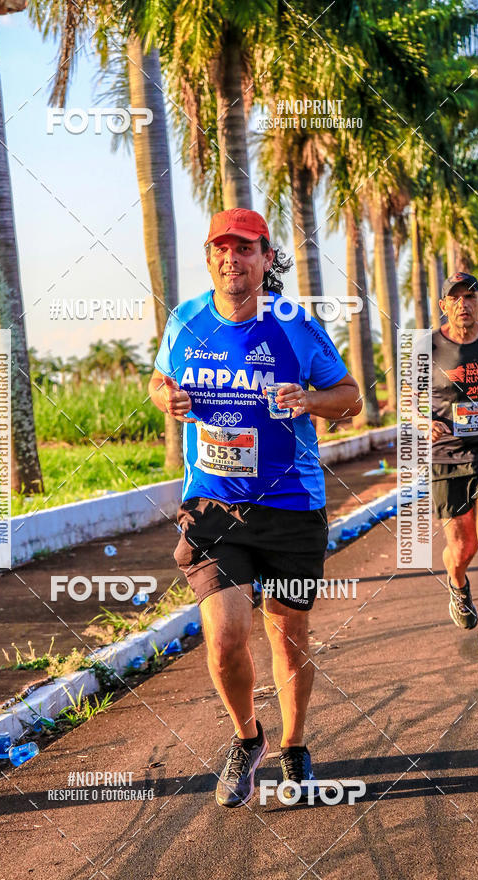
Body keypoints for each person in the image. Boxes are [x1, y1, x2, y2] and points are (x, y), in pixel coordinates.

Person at [148, 208, 362, 807]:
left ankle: (295, 747)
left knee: (288, 634)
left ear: (266, 259)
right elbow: (158, 379)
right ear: (209, 257)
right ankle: (247, 738)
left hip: (291, 506)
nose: (231, 260)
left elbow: (351, 399)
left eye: (244, 250)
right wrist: (166, 394)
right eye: (221, 248)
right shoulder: (186, 320)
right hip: (214, 507)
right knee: (223, 638)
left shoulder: (293, 324)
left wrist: (311, 399)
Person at [431, 272, 478, 654]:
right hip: (446, 457)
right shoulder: (427, 347)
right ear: (444, 307)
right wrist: (422, 423)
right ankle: (458, 584)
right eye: (454, 298)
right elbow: (408, 400)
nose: (463, 303)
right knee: (462, 547)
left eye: (469, 296)